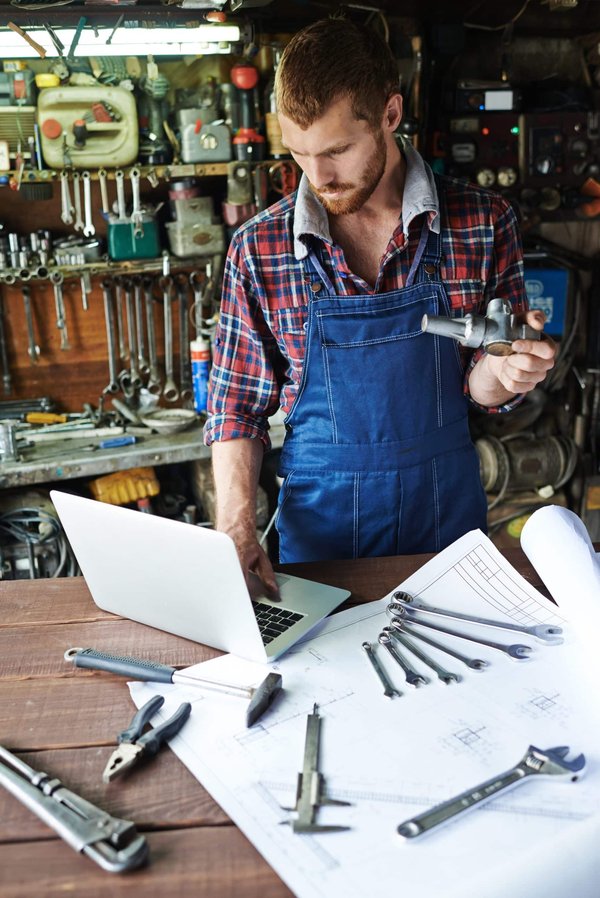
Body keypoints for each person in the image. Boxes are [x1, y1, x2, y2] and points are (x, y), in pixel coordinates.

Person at [203, 17, 556, 592]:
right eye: (299, 153)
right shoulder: (259, 249)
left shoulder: (485, 223)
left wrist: (505, 371)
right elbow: (236, 406)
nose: (317, 176)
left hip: (447, 533)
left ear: (391, 115)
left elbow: (484, 387)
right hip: (321, 544)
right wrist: (236, 526)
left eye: (337, 150)